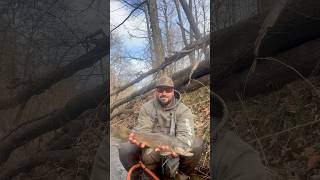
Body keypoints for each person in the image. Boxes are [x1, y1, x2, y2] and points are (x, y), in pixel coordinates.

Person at [119, 75, 204, 180]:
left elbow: (186, 134)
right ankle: (139, 175)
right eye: (160, 89)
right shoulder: (147, 108)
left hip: (173, 149)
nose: (164, 93)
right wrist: (139, 141)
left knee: (197, 144)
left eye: (167, 90)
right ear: (156, 91)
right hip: (151, 149)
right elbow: (144, 131)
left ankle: (181, 174)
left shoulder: (183, 110)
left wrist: (177, 148)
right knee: (124, 148)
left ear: (173, 91)